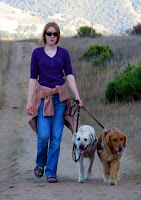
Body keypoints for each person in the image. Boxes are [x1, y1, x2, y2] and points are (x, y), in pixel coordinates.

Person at [26, 22, 82, 183]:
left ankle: (51, 172)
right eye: (49, 33)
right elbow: (32, 78)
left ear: (58, 36)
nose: (52, 36)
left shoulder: (64, 53)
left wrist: (77, 96)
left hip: (60, 99)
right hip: (43, 98)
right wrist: (29, 101)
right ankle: (40, 164)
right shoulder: (37, 53)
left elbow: (69, 75)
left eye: (55, 34)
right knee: (43, 136)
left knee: (56, 138)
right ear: (44, 35)